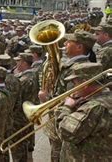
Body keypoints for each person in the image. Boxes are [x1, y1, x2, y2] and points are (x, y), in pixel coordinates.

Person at [39, 30, 95, 162]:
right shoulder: (72, 64)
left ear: (79, 47)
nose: (64, 43)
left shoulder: (79, 69)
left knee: (58, 155)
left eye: (69, 42)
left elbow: (72, 100)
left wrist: (46, 99)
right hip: (58, 120)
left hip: (65, 123)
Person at [55, 62, 112, 161]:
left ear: (85, 83)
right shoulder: (107, 96)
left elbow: (65, 133)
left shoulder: (94, 107)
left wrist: (66, 107)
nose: (73, 87)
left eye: (75, 83)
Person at [12, 52, 39, 161]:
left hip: (20, 117)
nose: (16, 64)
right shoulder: (33, 74)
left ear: (24, 63)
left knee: (18, 148)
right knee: (28, 146)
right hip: (28, 115)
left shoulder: (22, 80)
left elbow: (15, 100)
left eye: (18, 61)